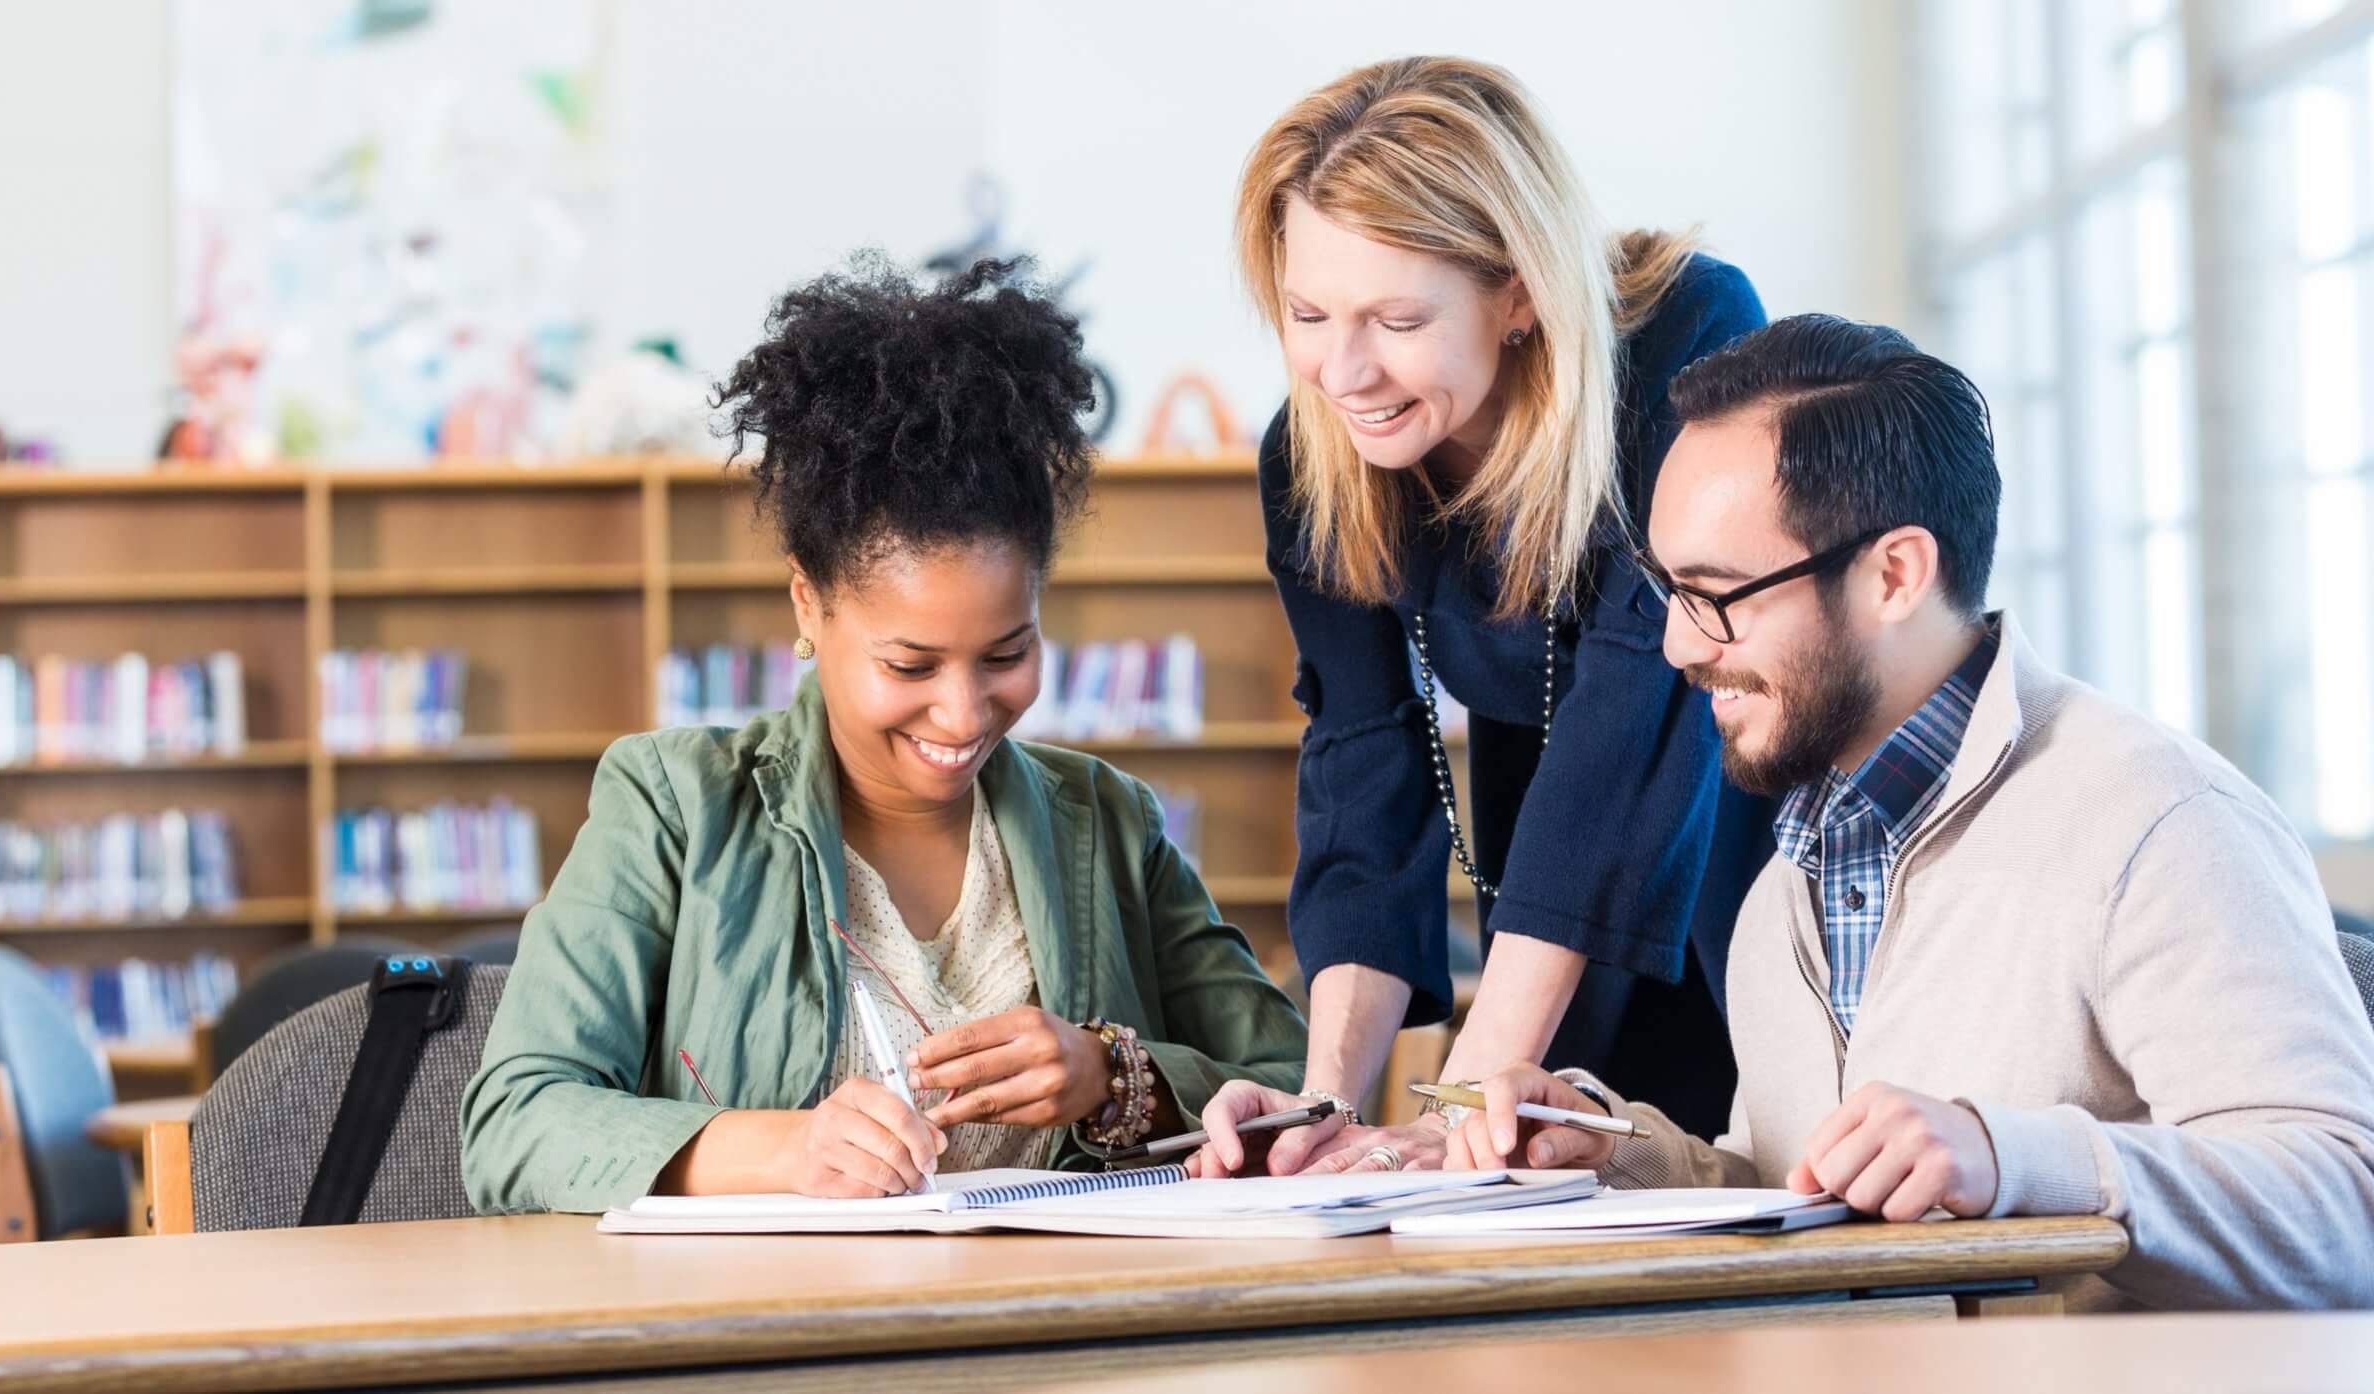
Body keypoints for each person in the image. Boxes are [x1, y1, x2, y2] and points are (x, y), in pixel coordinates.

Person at [1491, 313, 2374, 1310]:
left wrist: (2010, 1156)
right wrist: (1617, 1152)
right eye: (1668, 591)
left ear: (1894, 574)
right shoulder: (1787, 878)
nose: (1679, 649)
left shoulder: (2162, 822)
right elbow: (1813, 1197)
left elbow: (2343, 1206)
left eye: (1716, 594)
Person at [461, 258, 1307, 1210]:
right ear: (808, 605)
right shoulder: (674, 807)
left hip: (1065, 1334)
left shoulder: (1107, 821)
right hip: (778, 1343)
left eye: (1006, 654)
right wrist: (779, 1152)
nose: (963, 713)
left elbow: (1300, 1089)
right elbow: (516, 1121)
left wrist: (1114, 1081)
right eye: (910, 666)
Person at [1198, 56, 1776, 1177]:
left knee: (1738, 1178)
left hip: (1747, 823)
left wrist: (1463, 1093)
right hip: (1550, 861)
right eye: (1307, 312)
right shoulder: (1310, 455)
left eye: (1396, 318)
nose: (1341, 369)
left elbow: (1634, 714)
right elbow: (1363, 769)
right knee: (1535, 1175)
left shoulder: (1686, 336)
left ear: (1517, 293)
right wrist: (1325, 1098)